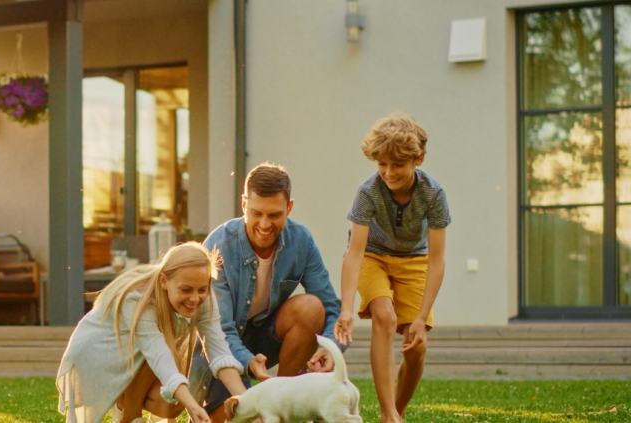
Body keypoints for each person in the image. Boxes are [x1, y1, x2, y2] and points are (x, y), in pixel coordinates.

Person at [199, 162, 344, 419]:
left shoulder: (301, 240)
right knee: (239, 416)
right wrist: (247, 361)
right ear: (244, 205)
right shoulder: (217, 246)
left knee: (311, 307)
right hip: (218, 347)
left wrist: (330, 348)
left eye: (275, 215)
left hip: (265, 336)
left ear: (289, 208)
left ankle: (284, 403)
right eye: (256, 213)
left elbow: (331, 306)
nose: (265, 225)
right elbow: (220, 332)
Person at [333, 113, 450, 423]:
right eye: (381, 164)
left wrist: (422, 316)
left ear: (419, 159)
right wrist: (346, 308)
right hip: (373, 255)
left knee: (415, 348)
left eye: (397, 165)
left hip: (415, 259)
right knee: (384, 316)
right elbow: (354, 253)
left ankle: (395, 413)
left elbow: (437, 259)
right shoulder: (369, 191)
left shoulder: (433, 194)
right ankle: (388, 414)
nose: (388, 172)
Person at [57, 242, 247, 423]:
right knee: (163, 358)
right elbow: (158, 356)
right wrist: (194, 407)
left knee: (174, 404)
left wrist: (247, 401)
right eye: (186, 290)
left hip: (137, 357)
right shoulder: (139, 299)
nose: (195, 298)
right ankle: (130, 417)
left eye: (202, 289)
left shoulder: (202, 295)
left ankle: (125, 401)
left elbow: (220, 353)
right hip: (97, 355)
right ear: (164, 281)